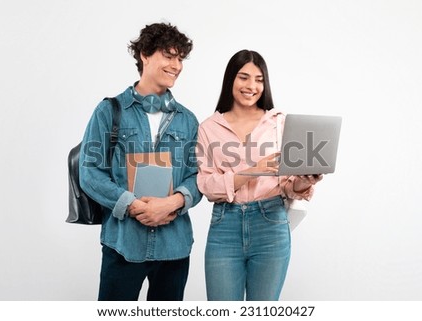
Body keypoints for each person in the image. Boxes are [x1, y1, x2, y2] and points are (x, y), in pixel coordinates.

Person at [79, 22, 202, 301]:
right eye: (169, 56)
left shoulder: (188, 120)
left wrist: (172, 203)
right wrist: (134, 206)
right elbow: (90, 172)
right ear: (144, 55)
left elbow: (197, 175)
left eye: (180, 58)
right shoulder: (110, 111)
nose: (177, 65)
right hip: (123, 243)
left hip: (174, 247)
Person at [196, 49, 323, 301]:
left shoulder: (279, 123)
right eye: (243, 77)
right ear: (230, 79)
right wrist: (254, 169)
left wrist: (303, 181)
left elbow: (288, 185)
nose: (251, 86)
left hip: (271, 224)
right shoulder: (209, 127)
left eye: (259, 79)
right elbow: (207, 184)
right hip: (225, 227)